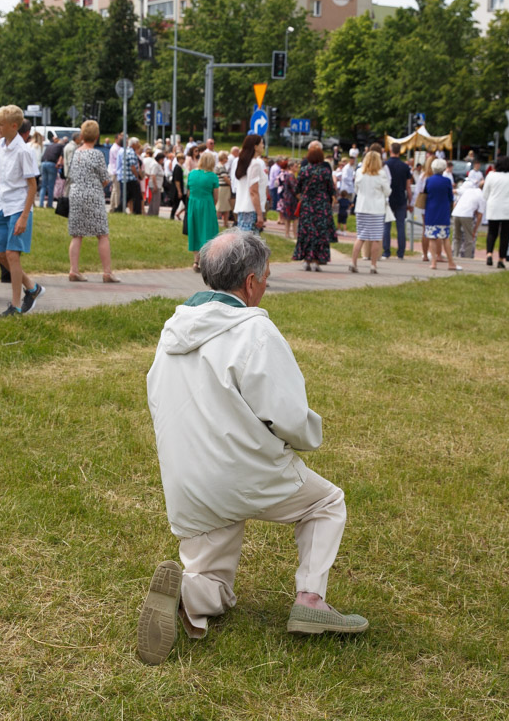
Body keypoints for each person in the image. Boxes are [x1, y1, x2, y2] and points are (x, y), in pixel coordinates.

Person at [139, 230, 367, 666]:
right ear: (249, 282)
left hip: (187, 481)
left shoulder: (172, 332)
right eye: (265, 277)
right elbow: (290, 415)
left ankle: (188, 593)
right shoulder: (254, 331)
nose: (266, 285)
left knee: (212, 580)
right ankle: (311, 601)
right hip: (248, 473)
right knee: (326, 504)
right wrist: (305, 439)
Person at [0, 104, 44, 316]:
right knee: (0, 255)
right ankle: (32, 287)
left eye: (1, 125)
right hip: (2, 206)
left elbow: (32, 186)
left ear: (14, 126)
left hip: (18, 207)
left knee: (12, 255)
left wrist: (24, 216)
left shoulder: (24, 151)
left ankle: (15, 305)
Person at [65, 120, 119, 283]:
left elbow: (71, 174)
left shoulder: (76, 153)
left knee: (77, 234)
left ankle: (74, 270)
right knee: (102, 234)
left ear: (82, 136)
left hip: (75, 194)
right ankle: (107, 272)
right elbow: (105, 178)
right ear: (96, 136)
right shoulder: (97, 154)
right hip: (93, 194)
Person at [292, 143, 337, 271]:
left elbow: (297, 188)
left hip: (306, 205)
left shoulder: (304, 170)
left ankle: (306, 260)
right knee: (320, 233)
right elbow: (331, 189)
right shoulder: (325, 171)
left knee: (306, 232)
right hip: (321, 205)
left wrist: (303, 197)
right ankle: (317, 261)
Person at [349, 150, 390, 273]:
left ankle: (353, 262)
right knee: (376, 238)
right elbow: (387, 191)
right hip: (376, 209)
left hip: (362, 208)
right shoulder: (381, 174)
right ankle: (373, 265)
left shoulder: (359, 173)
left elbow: (356, 190)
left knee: (360, 236)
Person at [483, 155, 509, 268]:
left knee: (492, 232)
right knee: (505, 235)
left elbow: (485, 194)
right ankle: (501, 259)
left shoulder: (491, 176)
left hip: (494, 206)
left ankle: (489, 254)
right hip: (508, 208)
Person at [186, 150, 221, 272]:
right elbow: (216, 197)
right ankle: (207, 262)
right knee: (208, 231)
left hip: (193, 205)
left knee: (195, 231)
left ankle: (196, 261)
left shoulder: (192, 174)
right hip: (207, 205)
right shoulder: (212, 176)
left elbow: (188, 192)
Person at [422, 158, 456, 271]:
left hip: (431, 211)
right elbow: (451, 198)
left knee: (432, 238)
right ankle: (451, 263)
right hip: (443, 211)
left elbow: (425, 193)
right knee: (445, 237)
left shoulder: (429, 180)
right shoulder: (447, 181)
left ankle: (433, 263)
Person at [232, 135, 268, 233]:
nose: (263, 146)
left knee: (244, 243)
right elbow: (253, 191)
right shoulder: (255, 164)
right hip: (252, 209)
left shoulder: (243, 162)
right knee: (249, 245)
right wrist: (260, 214)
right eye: (261, 143)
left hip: (243, 209)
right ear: (255, 147)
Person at [382, 143, 412, 259]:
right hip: (400, 198)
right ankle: (401, 252)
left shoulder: (386, 165)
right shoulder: (405, 167)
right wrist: (410, 201)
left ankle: (386, 251)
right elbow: (408, 186)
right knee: (400, 226)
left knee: (386, 226)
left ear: (390, 150)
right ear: (400, 151)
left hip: (388, 198)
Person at [451, 171, 485, 260]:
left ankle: (454, 256)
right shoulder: (481, 196)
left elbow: (456, 202)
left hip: (455, 213)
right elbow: (480, 216)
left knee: (456, 237)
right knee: (469, 239)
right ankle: (467, 259)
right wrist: (474, 230)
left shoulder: (469, 191)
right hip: (467, 215)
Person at [39, 135, 62, 209]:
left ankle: (41, 203)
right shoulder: (60, 146)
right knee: (51, 186)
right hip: (52, 164)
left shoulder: (49, 146)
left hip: (43, 163)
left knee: (43, 185)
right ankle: (49, 204)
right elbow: (61, 157)